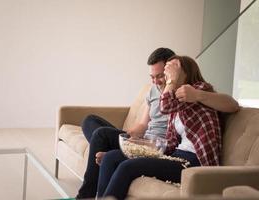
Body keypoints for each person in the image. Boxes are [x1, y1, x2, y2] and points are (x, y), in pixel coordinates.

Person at [76, 48, 239, 199]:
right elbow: (166, 139)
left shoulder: (197, 90)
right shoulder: (179, 99)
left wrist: (193, 92)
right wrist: (131, 146)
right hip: (174, 154)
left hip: (194, 162)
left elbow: (232, 104)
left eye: (168, 75)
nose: (166, 79)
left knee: (127, 167)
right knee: (111, 157)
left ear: (184, 72)